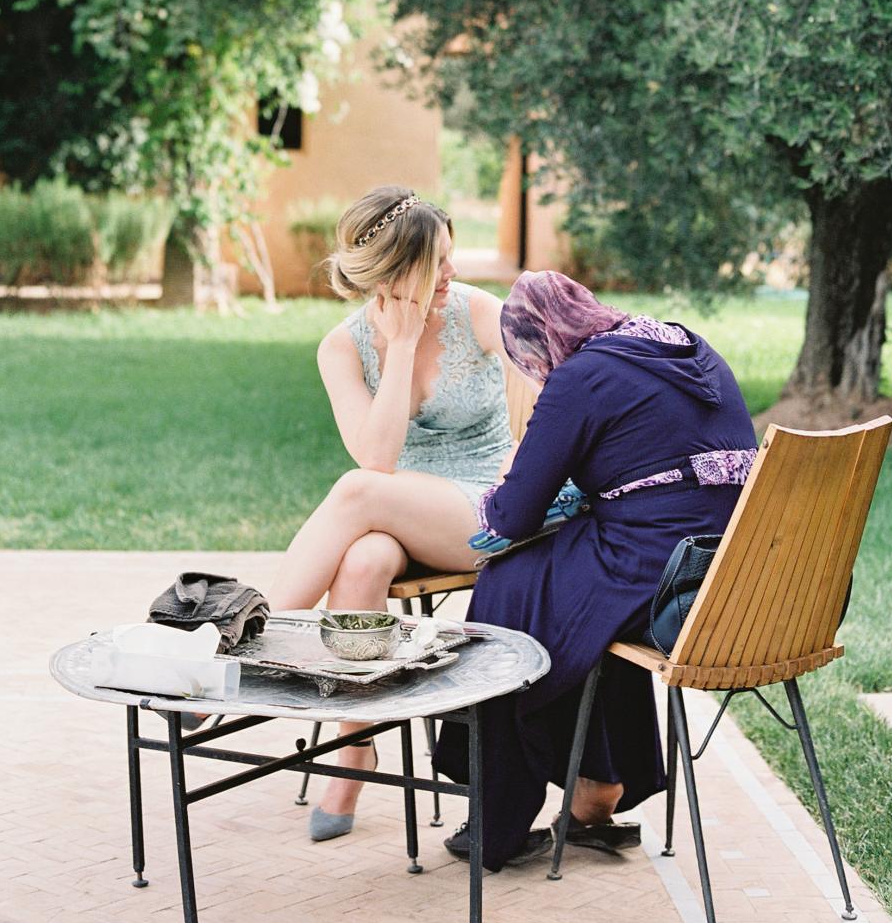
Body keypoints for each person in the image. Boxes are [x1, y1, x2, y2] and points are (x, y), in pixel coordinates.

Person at [435, 270, 758, 872]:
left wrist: (490, 504)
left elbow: (514, 513)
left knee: (509, 582)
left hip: (667, 577)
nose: (535, 376)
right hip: (737, 571)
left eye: (529, 362)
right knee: (569, 589)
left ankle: (499, 812)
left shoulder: (579, 377)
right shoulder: (681, 345)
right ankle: (597, 786)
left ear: (540, 344)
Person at [269, 185, 514, 840]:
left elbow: (546, 379)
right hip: (404, 509)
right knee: (362, 560)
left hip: (489, 506)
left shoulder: (479, 313)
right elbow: (379, 454)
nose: (455, 272)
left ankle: (252, 644)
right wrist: (400, 347)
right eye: (438, 262)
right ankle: (358, 743)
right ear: (396, 272)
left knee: (355, 493)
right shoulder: (343, 348)